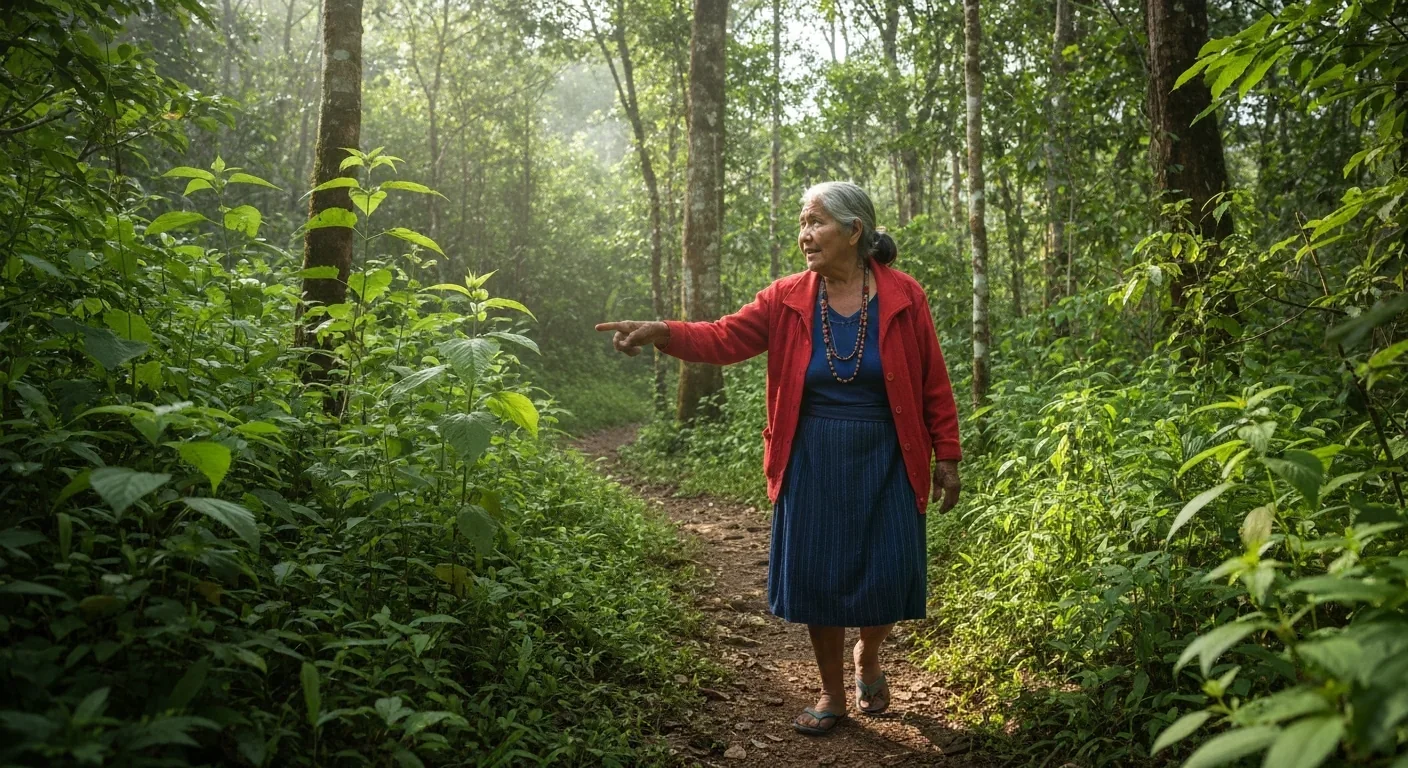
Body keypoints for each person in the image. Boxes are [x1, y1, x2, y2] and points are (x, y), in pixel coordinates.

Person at [595, 181, 962, 736]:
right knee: (818, 573)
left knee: (889, 569)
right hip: (811, 455)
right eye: (802, 222)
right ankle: (833, 692)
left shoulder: (904, 294)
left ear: (854, 230)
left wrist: (948, 455)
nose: (805, 235)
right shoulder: (787, 297)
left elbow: (933, 379)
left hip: (888, 453)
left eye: (815, 222)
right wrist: (663, 332)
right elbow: (724, 338)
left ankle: (870, 653)